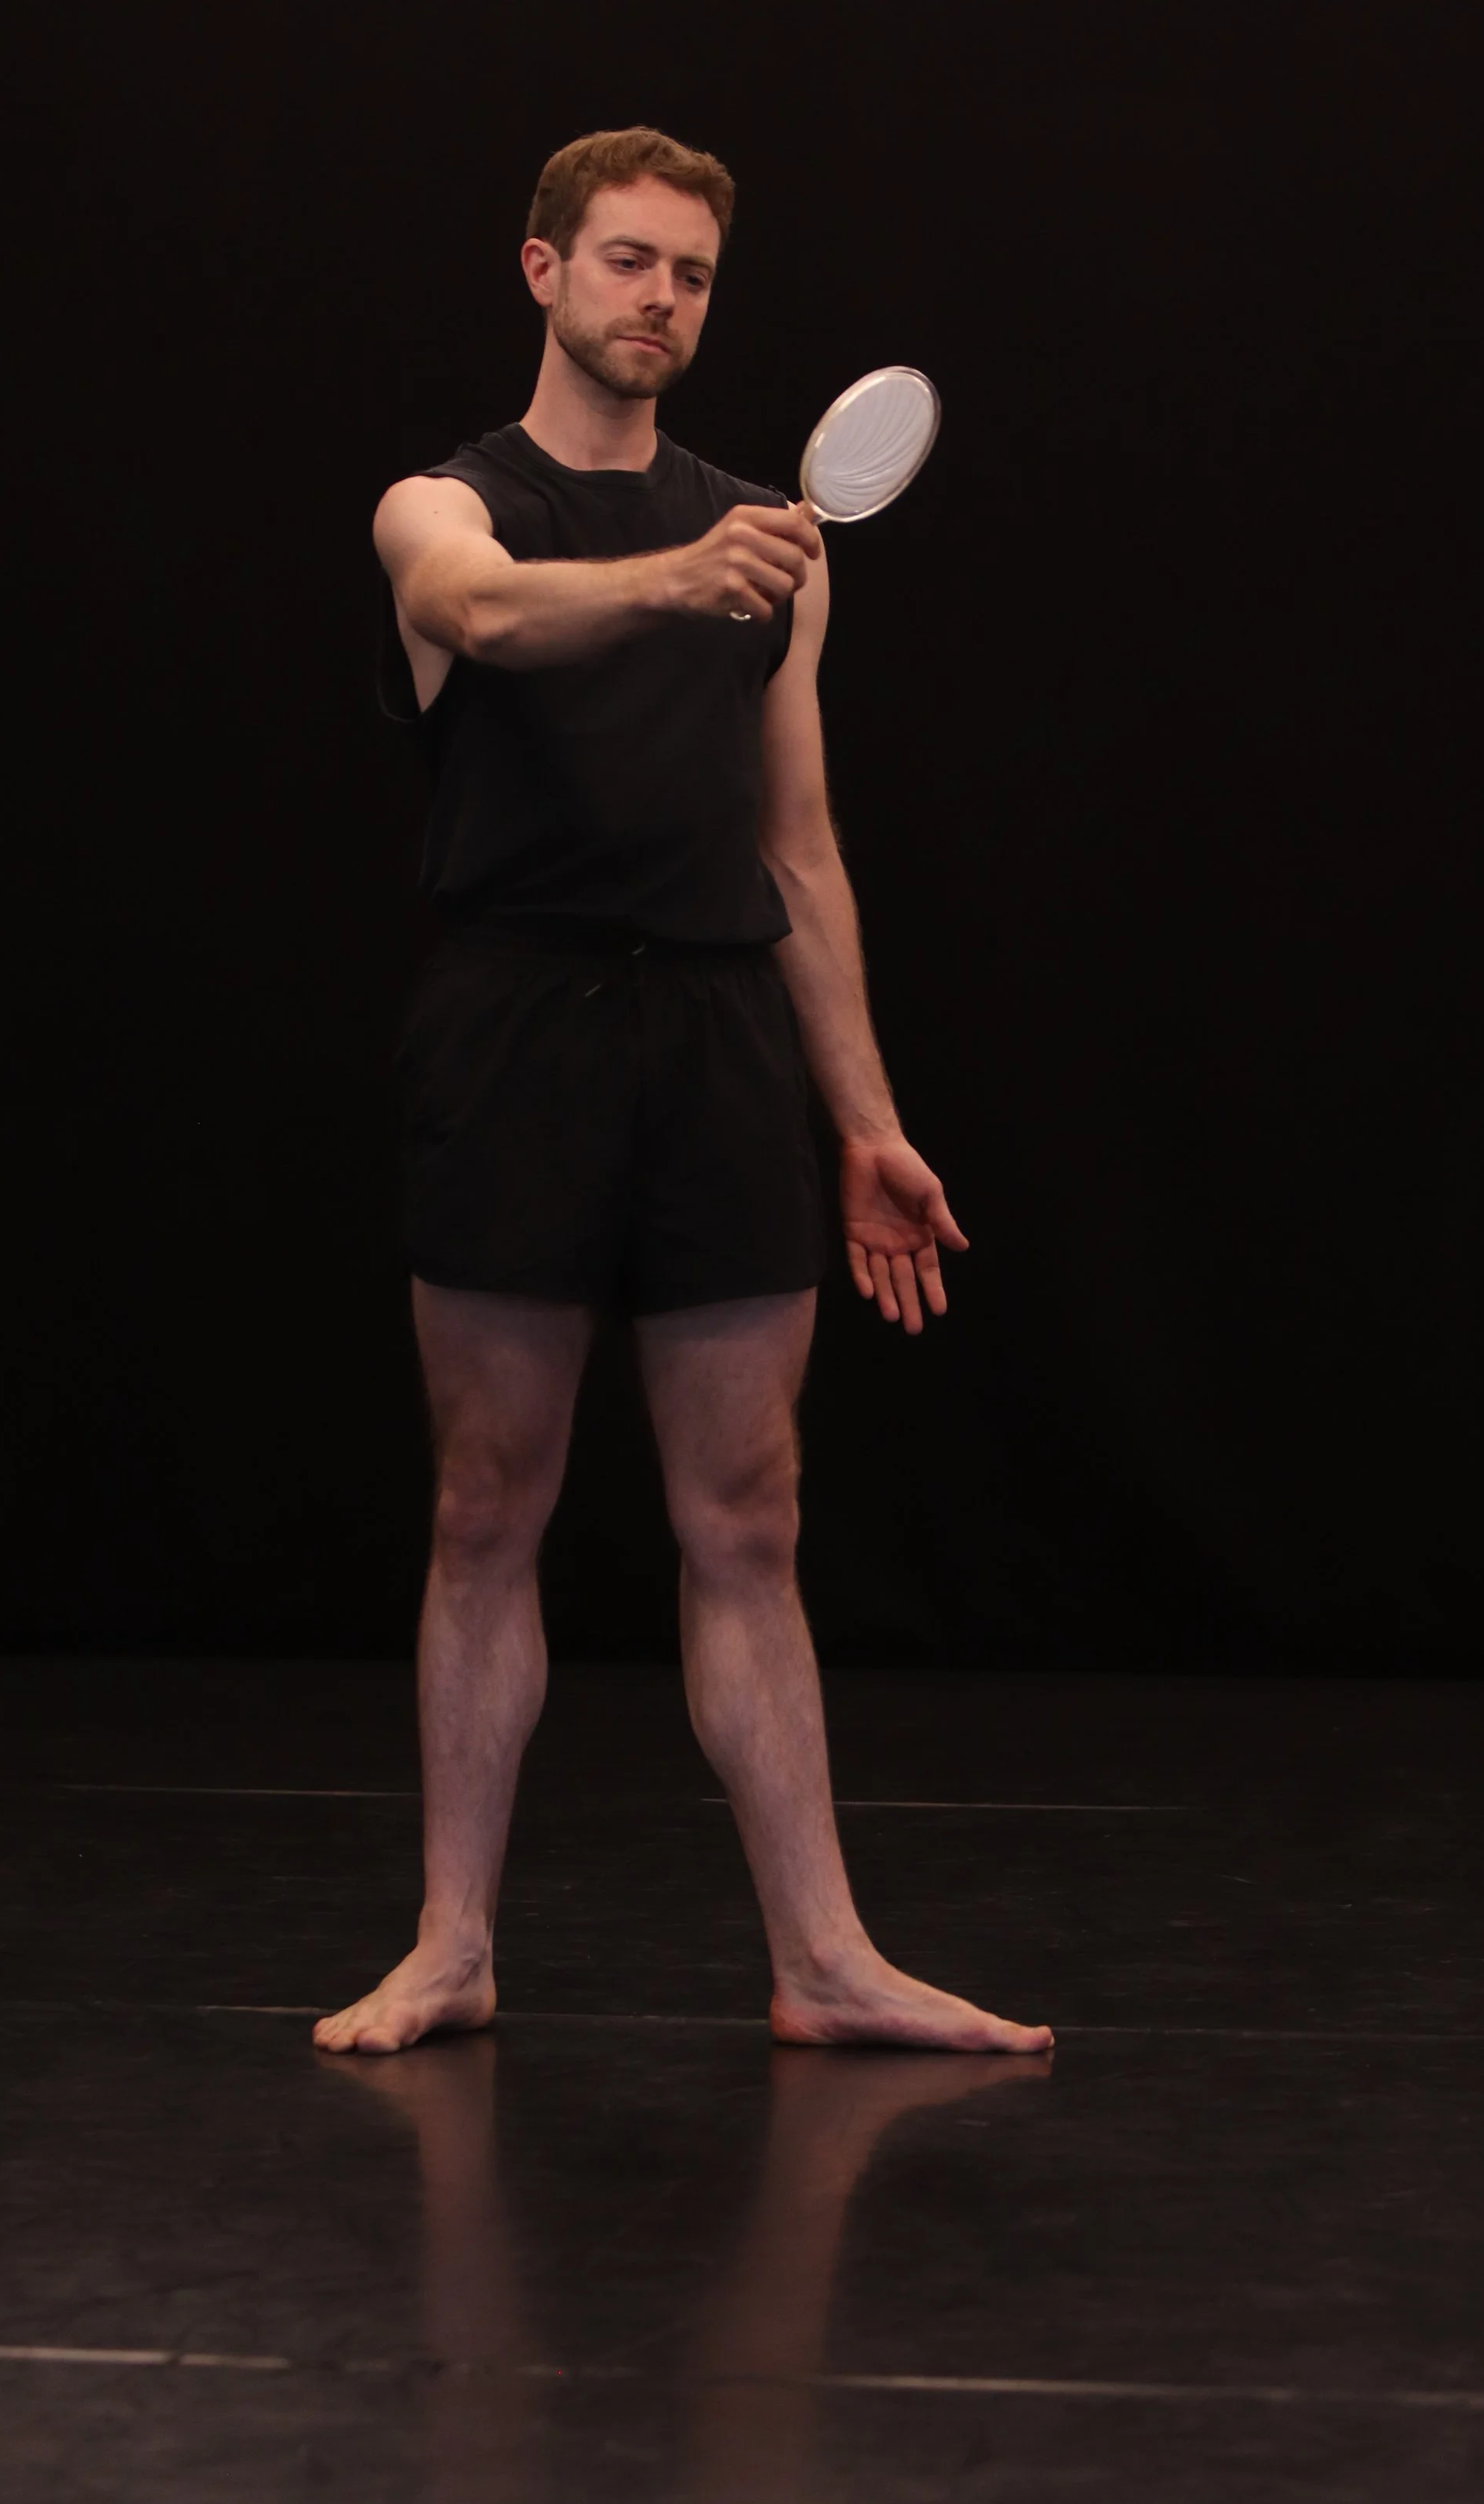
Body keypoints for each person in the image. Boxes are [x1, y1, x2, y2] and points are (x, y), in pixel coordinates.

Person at [316, 126, 1050, 2059]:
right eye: (629, 260)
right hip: (513, 1032)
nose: (662, 298)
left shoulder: (768, 551)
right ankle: (452, 1943)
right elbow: (481, 613)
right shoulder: (442, 504)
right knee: (488, 1503)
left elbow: (795, 847)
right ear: (544, 270)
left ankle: (823, 1959)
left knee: (750, 1516)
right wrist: (674, 582)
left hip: (717, 1044)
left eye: (694, 275)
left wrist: (864, 1121)